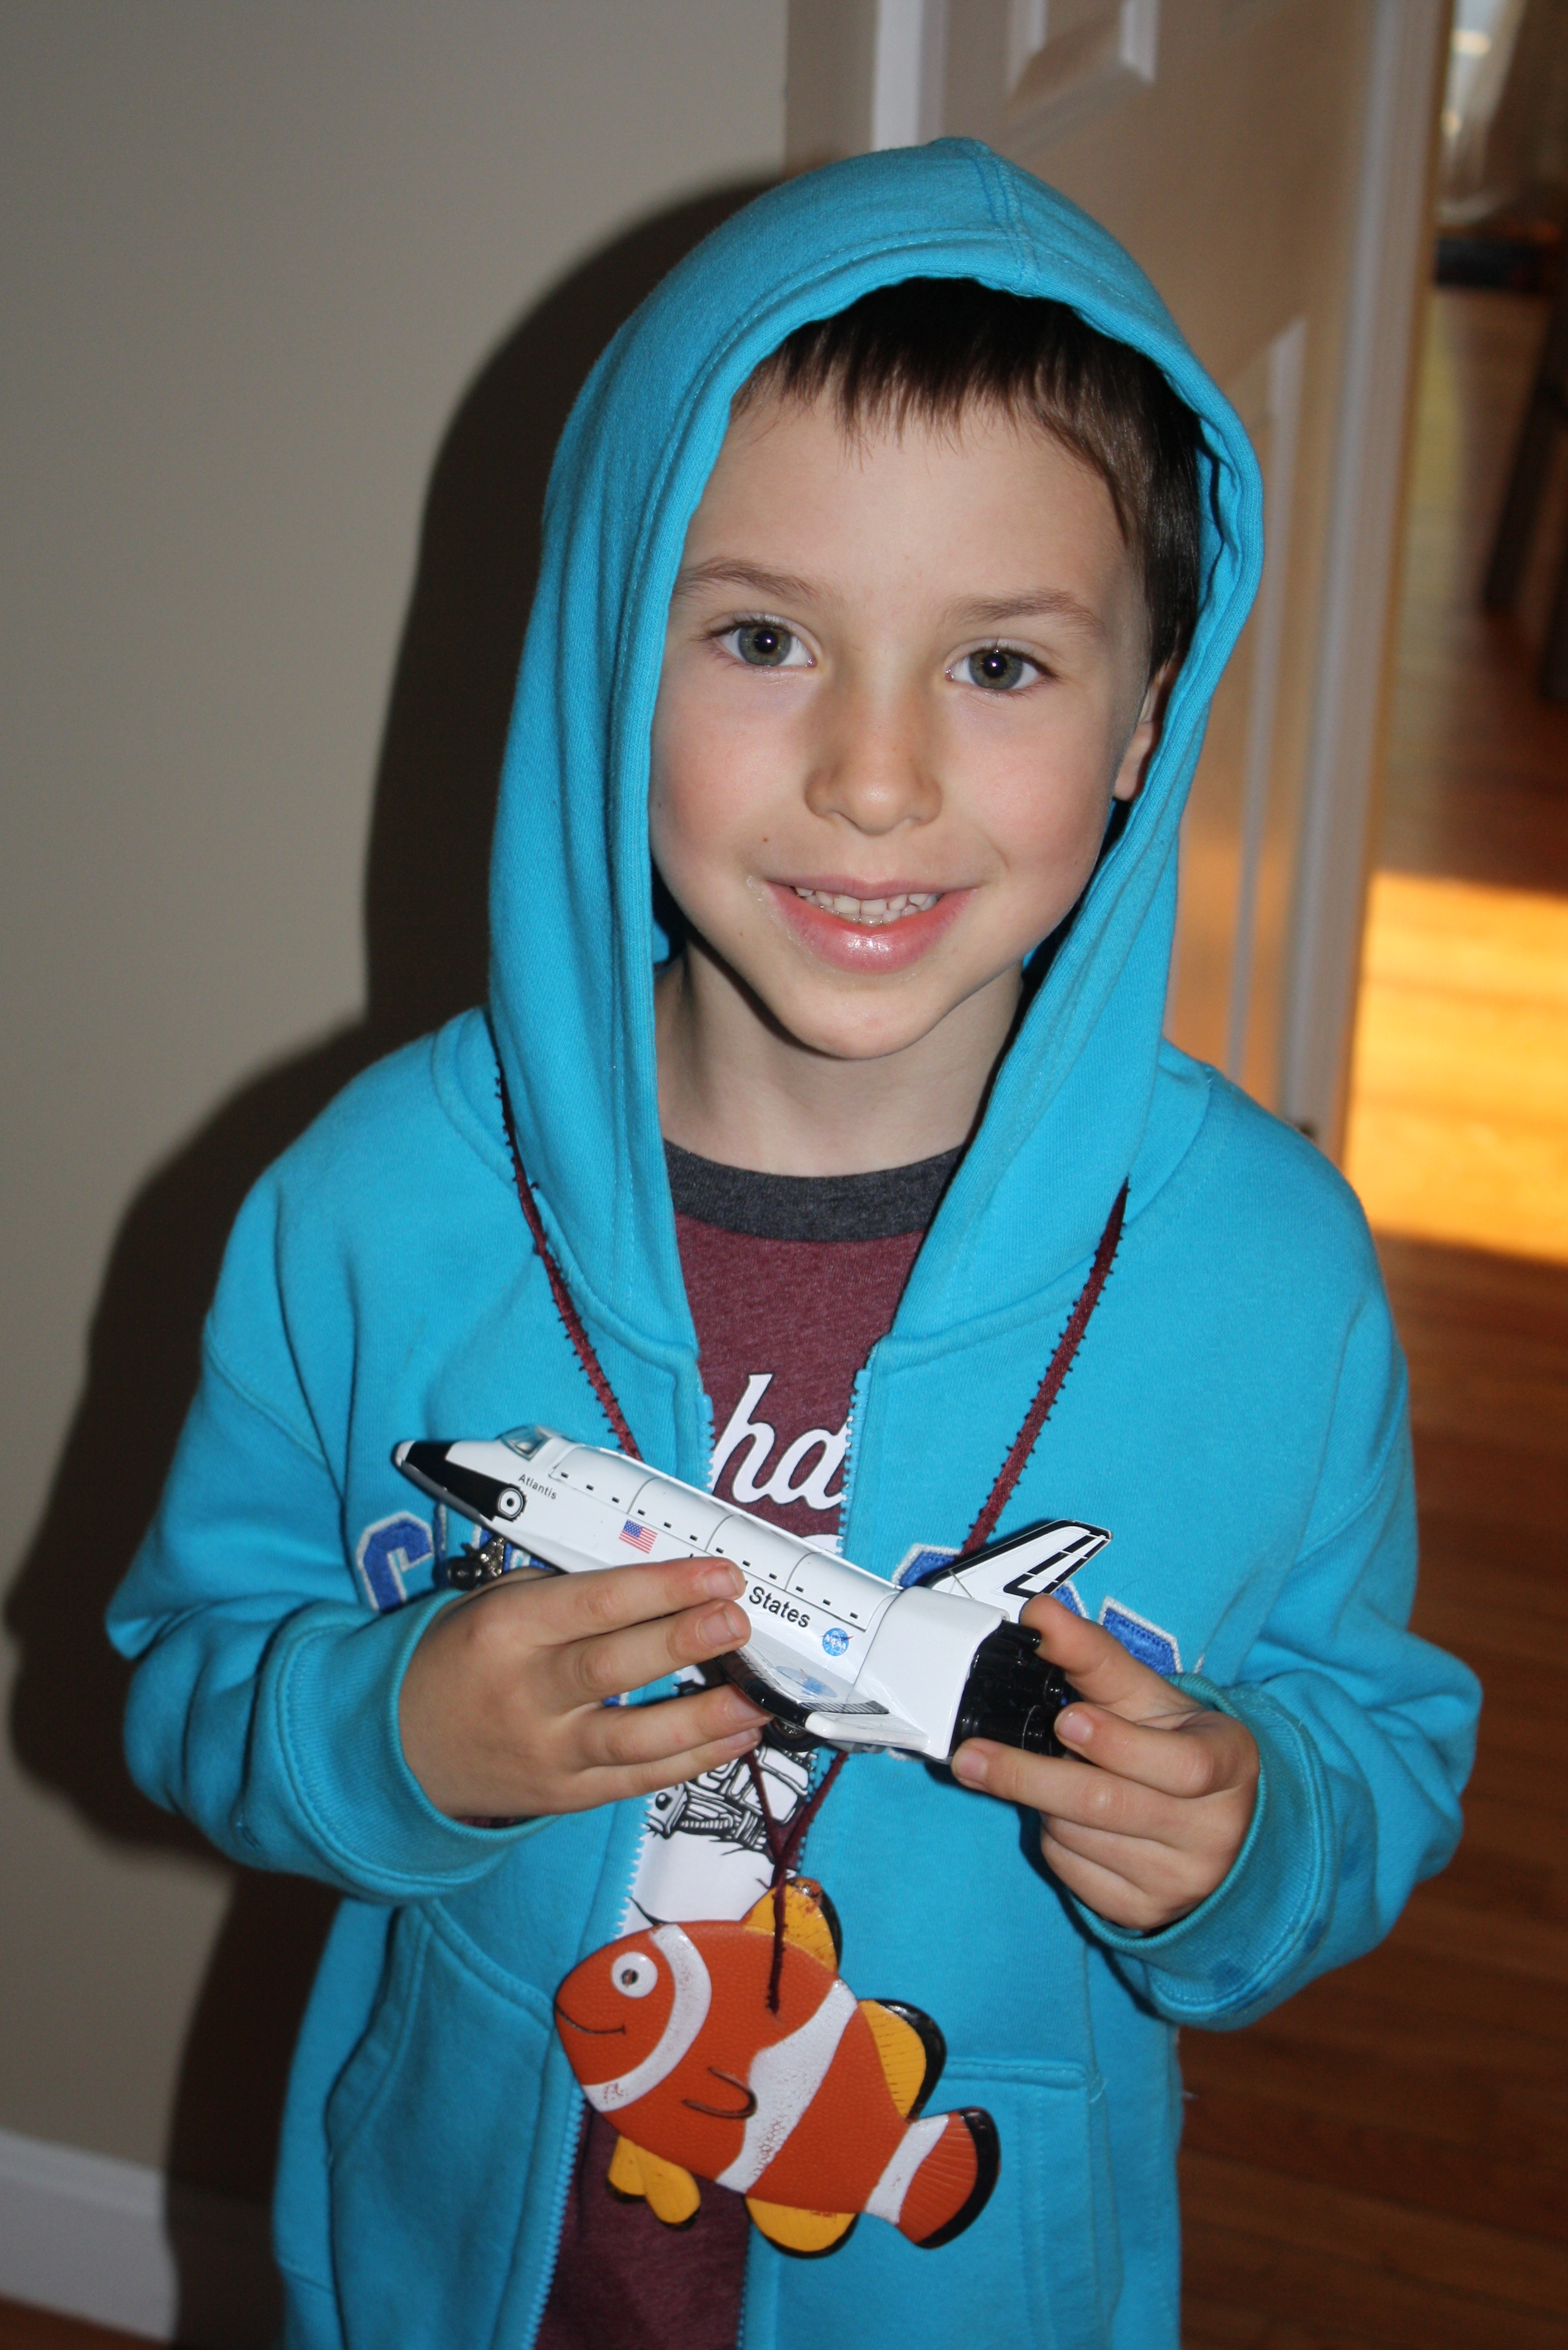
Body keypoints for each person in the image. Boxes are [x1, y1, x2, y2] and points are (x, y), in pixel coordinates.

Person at [108, 141, 1479, 2350]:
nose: (873, 774)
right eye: (763, 639)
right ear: (605, 661)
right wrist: (386, 1734)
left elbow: (1378, 1742)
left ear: (1147, 715)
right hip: (456, 2281)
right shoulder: (368, 1212)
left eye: (1001, 665)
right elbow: (191, 1670)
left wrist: (1258, 1837)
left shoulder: (1270, 1276)